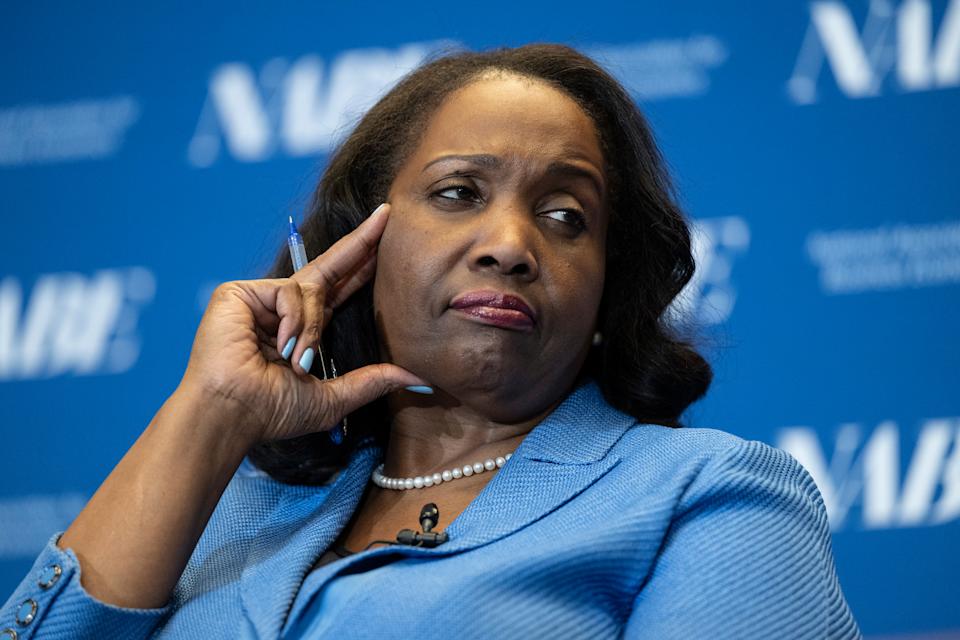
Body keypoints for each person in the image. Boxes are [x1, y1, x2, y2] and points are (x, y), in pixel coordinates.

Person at [1, 44, 861, 639]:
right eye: (457, 193)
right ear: (361, 246)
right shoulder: (239, 515)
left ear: (608, 285)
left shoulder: (711, 499)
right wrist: (214, 412)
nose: (511, 245)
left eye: (567, 217)